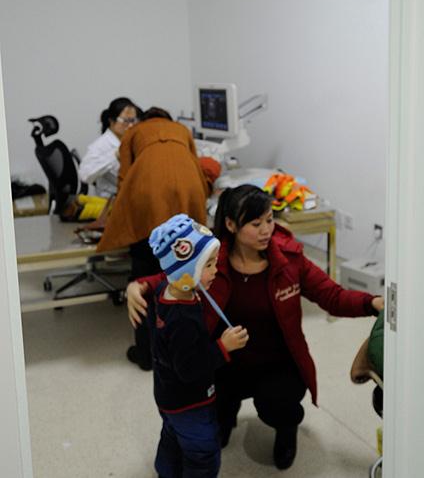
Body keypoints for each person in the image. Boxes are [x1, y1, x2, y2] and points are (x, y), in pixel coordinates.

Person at [127, 184, 384, 470]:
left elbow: (332, 296)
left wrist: (371, 302)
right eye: (256, 223)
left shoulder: (288, 260)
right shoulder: (211, 260)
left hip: (276, 362)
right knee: (209, 419)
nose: (266, 230)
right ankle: (225, 414)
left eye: (270, 220)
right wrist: (138, 286)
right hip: (223, 359)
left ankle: (286, 431)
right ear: (231, 225)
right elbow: (174, 275)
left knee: (279, 405)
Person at [97, 107, 211, 370]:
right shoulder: (182, 130)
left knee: (144, 276)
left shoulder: (133, 132)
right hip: (188, 200)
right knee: (184, 274)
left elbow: (124, 179)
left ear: (143, 120)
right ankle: (185, 347)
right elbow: (197, 168)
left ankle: (146, 353)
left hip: (148, 206)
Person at [146, 213, 248, 478]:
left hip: (167, 394)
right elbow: (189, 369)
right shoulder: (183, 318)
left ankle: (166, 472)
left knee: (172, 436)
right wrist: (223, 346)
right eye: (208, 265)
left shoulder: (165, 291)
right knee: (202, 451)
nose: (215, 271)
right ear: (185, 271)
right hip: (189, 402)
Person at [78, 97, 142, 198]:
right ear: (112, 121)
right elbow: (84, 175)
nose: (130, 126)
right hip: (112, 199)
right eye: (125, 121)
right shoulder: (101, 145)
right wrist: (114, 156)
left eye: (133, 121)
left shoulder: (131, 140)